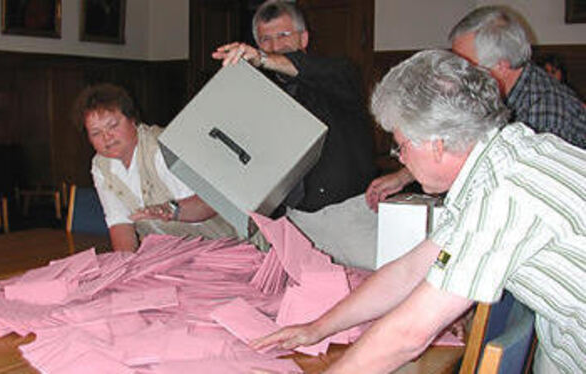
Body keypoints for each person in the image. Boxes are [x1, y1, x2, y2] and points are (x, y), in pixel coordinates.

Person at [252, 50, 585, 374]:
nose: (399, 158)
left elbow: (410, 334)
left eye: (401, 145)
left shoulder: (502, 193)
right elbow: (409, 270)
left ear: (436, 143)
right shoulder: (504, 155)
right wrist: (317, 328)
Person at [365, 5, 586, 211]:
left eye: (466, 65)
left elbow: (517, 206)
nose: (457, 73)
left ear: (501, 66)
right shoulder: (511, 89)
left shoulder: (544, 115)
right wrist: (406, 175)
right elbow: (458, 144)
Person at [212, 0, 377, 213]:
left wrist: (262, 59)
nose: (276, 46)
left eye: (283, 35)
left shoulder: (340, 72)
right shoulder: (261, 93)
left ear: (304, 38)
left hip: (343, 210)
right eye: (266, 39)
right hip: (287, 215)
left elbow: (310, 69)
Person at [73, 83, 236, 252]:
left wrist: (171, 210)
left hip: (225, 247)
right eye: (96, 133)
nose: (107, 137)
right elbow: (120, 224)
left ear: (133, 120)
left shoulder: (162, 149)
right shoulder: (101, 166)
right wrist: (124, 266)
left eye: (113, 126)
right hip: (172, 255)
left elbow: (209, 204)